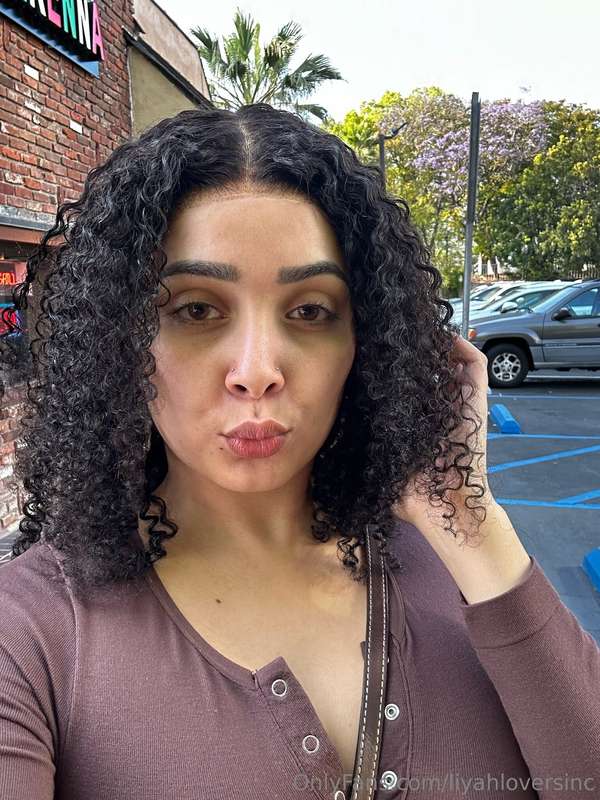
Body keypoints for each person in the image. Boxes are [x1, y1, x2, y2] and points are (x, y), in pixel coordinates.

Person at [0, 103, 599, 800]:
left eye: (310, 311)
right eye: (196, 310)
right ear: (120, 341)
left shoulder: (459, 568)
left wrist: (467, 520)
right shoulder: (31, 634)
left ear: (366, 340)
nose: (257, 370)